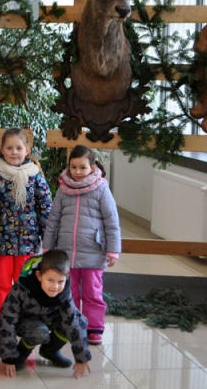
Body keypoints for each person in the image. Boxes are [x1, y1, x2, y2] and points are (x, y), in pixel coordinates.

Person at [43, 145, 121, 345]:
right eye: (74, 167)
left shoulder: (101, 189)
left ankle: (94, 327)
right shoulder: (63, 190)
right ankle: (71, 325)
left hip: (93, 253)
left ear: (93, 167)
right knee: (69, 292)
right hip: (66, 254)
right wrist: (47, 247)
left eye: (82, 167)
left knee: (92, 292)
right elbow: (53, 220)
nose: (77, 172)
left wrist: (113, 250)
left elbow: (112, 222)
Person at [0, 128, 51, 330]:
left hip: (28, 242)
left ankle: (25, 314)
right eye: (9, 148)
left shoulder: (35, 176)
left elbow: (45, 208)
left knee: (26, 281)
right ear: (2, 149)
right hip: (2, 241)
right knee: (0, 280)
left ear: (27, 150)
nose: (14, 152)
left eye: (18, 148)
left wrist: (48, 239)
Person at [0, 250, 91, 379]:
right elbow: (7, 320)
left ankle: (50, 350)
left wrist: (82, 358)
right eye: (50, 280)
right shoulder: (22, 289)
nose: (55, 287)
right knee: (39, 332)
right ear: (39, 276)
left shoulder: (64, 294)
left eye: (60, 281)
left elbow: (73, 322)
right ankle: (22, 351)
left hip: (50, 320)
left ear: (67, 278)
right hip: (27, 323)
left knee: (78, 321)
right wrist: (9, 356)